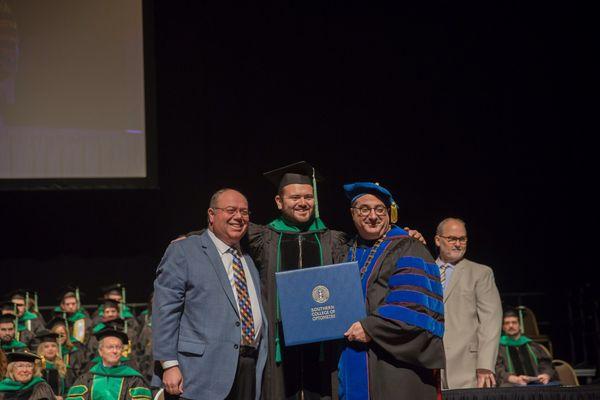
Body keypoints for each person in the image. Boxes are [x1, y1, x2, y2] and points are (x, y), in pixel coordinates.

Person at [153, 188, 268, 400]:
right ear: (211, 215)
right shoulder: (184, 251)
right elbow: (165, 310)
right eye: (231, 210)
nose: (239, 217)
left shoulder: (249, 258)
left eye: (244, 212)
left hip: (248, 369)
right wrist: (169, 364)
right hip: (199, 372)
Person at [336, 182, 445, 400]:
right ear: (352, 213)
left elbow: (413, 307)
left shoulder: (408, 247)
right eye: (364, 209)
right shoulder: (345, 251)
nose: (373, 216)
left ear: (389, 213)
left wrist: (370, 327)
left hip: (394, 367)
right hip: (351, 361)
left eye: (380, 209)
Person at [434, 217, 502, 389]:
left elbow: (490, 321)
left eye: (462, 239)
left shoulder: (480, 273)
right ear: (437, 240)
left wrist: (485, 365)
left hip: (467, 367)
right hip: (430, 365)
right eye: (452, 239)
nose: (458, 244)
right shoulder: (424, 270)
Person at [66, 328, 150, 400]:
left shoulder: (133, 379)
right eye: (110, 347)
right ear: (100, 351)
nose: (115, 351)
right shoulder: (86, 379)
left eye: (118, 347)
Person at [495, 309, 558, 386]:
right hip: (512, 387)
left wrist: (546, 375)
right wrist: (512, 378)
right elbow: (498, 369)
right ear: (503, 327)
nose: (511, 325)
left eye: (514, 322)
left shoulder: (533, 346)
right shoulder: (499, 348)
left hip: (537, 385)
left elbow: (546, 364)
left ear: (520, 325)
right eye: (507, 323)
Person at [36, 330, 71, 398]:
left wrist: (63, 397)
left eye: (53, 346)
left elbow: (70, 389)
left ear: (57, 348)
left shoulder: (64, 368)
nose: (50, 349)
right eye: (46, 347)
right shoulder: (36, 367)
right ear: (41, 349)